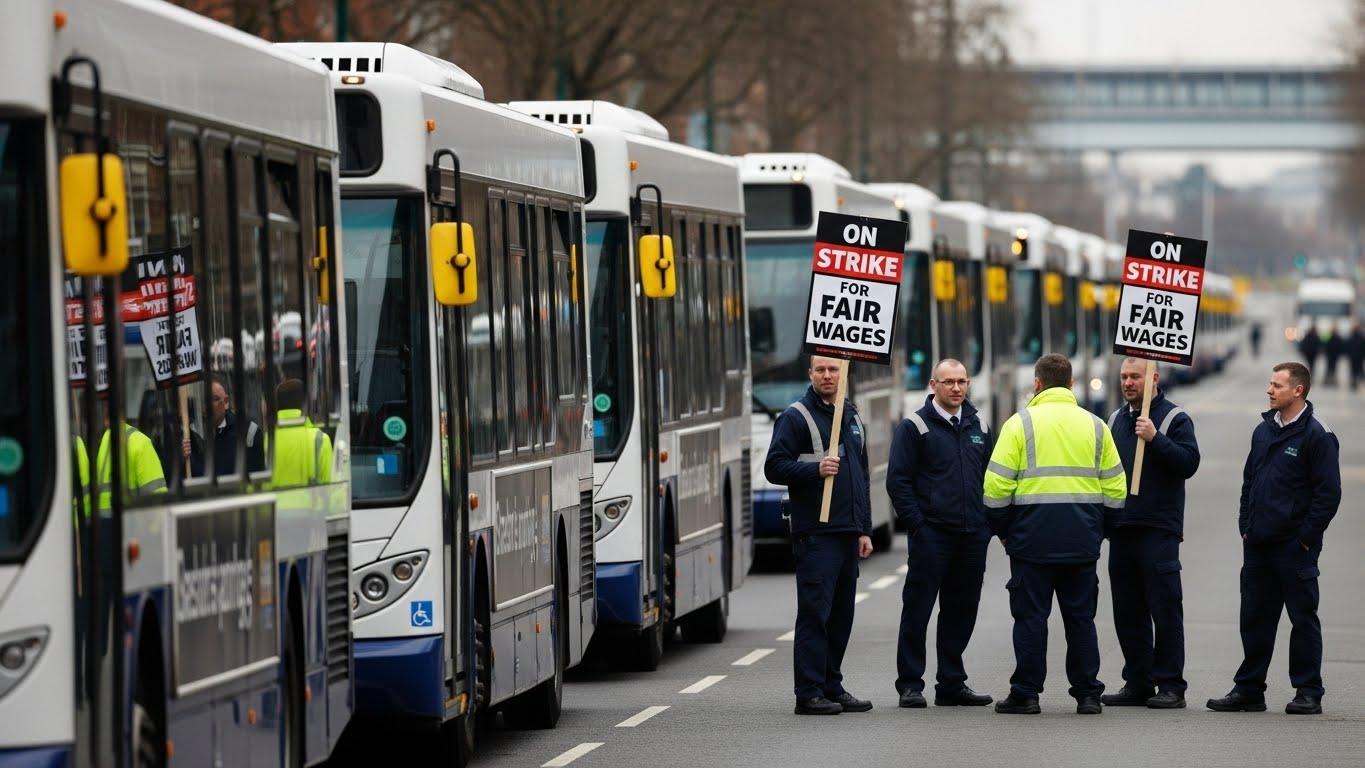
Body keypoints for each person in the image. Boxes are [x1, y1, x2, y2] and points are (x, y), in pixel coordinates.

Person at [983, 353, 1127, 715]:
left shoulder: (1019, 424)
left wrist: (1004, 531)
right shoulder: (1096, 426)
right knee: (1081, 620)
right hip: (1082, 542)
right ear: (1071, 383)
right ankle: (1088, 694)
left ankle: (1026, 693)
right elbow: (1116, 489)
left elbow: (996, 487)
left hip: (1031, 542)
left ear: (1037, 384)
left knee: (1031, 619)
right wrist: (1100, 531)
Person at [1208, 362, 1341, 716]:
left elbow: (1328, 495)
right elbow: (1249, 480)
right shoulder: (1263, 430)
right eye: (1269, 383)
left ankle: (1308, 691)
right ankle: (1249, 689)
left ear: (1298, 390)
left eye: (1277, 385)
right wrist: (1245, 525)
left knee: (1302, 619)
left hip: (1294, 548)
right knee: (1254, 618)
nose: (1269, 390)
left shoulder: (1317, 435)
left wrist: (1305, 539)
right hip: (1258, 544)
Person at [764, 355, 875, 716]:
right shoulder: (795, 416)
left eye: (834, 370)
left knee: (842, 615)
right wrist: (815, 469)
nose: (828, 375)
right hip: (816, 533)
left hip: (847, 531)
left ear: (844, 374)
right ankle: (808, 692)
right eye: (821, 370)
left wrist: (864, 529)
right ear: (810, 374)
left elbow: (861, 478)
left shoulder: (852, 416)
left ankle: (832, 684)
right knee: (815, 614)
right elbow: (774, 466)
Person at [887, 358, 994, 709]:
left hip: (971, 535)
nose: (957, 388)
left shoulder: (979, 426)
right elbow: (898, 482)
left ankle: (951, 682)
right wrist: (918, 525)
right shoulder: (914, 427)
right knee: (918, 610)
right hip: (932, 535)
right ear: (933, 385)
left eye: (962, 381)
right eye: (949, 382)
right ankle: (910, 684)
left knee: (962, 610)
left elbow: (990, 479)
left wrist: (987, 525)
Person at [1102, 358, 1201, 709]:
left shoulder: (1175, 418)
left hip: (1158, 528)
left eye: (1136, 377)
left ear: (1154, 378)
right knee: (1127, 610)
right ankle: (1138, 681)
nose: (1129, 383)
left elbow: (1189, 463)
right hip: (1123, 528)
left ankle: (1172, 685)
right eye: (1125, 377)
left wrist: (1155, 439)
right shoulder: (1115, 420)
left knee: (1165, 608)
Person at [187, 376, 266, 476]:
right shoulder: (192, 435)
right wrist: (185, 457)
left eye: (215, 399)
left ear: (226, 402)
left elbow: (258, 474)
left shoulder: (249, 431)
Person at [271, 378, 333, 487]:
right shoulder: (320, 439)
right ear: (305, 404)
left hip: (274, 504)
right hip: (311, 504)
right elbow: (333, 490)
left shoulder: (265, 440)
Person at [1347, 321, 1365, 392]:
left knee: (1353, 370)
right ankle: (1355, 382)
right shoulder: (1361, 337)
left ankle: (1354, 382)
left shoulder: (1351, 337)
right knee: (1357, 370)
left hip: (1354, 357)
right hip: (1358, 357)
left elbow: (1348, 347)